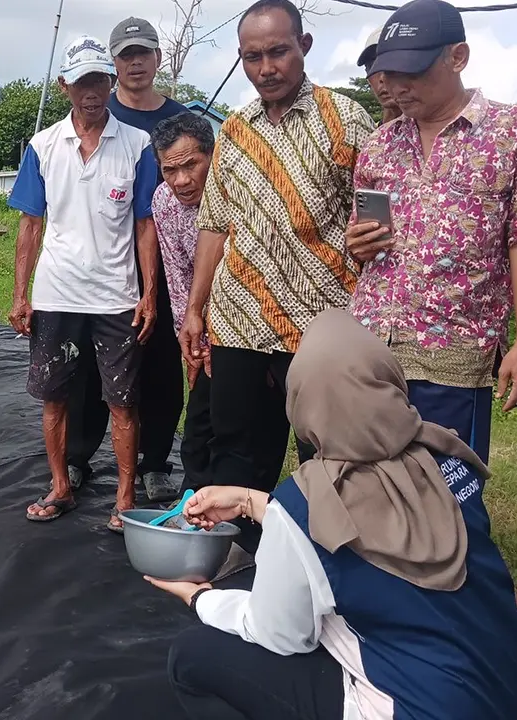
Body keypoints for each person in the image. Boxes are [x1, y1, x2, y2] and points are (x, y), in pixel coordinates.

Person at [145, 309, 517, 720]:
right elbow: (373, 515)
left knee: (192, 657)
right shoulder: (442, 455)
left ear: (302, 402)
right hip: (509, 691)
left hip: (420, 708)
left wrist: (203, 600)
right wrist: (248, 501)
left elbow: (281, 636)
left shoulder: (306, 505)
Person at [178, 0, 374, 519]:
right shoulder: (235, 131)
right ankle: (239, 565)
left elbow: (379, 218)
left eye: (278, 52)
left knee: (328, 452)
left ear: (304, 46)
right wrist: (196, 310)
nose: (266, 68)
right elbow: (216, 224)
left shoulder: (346, 120)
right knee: (237, 449)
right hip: (239, 320)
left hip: (321, 324)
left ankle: (328, 565)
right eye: (253, 56)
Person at [347, 0, 517, 463]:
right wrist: (357, 244)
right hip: (371, 348)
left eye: (414, 72)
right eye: (390, 73)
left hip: (453, 349)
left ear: (458, 57)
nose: (398, 87)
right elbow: (362, 239)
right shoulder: (379, 145)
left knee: (448, 496)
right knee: (372, 488)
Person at [7, 36, 160, 532]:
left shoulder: (137, 146)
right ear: (63, 85)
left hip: (117, 296)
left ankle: (124, 496)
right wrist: (19, 295)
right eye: (81, 82)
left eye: (99, 80)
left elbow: (145, 225)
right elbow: (30, 225)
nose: (91, 92)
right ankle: (60, 485)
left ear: (110, 82)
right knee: (55, 396)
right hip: (56, 294)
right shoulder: (44, 146)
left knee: (123, 401)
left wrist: (149, 293)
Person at [61, 17, 189, 504]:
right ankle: (77, 456)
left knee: (158, 367)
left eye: (144, 53)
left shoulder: (181, 121)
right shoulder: (94, 113)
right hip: (101, 267)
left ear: (158, 59)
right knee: (89, 370)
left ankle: (154, 462)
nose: (136, 63)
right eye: (125, 55)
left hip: (165, 267)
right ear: (112, 66)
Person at [149, 111, 215, 495]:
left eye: (191, 165)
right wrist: (190, 342)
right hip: (199, 318)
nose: (182, 181)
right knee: (200, 423)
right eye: (170, 170)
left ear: (211, 155)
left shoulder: (233, 189)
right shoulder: (164, 201)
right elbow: (177, 275)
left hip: (252, 321)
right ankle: (195, 501)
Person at [355, 26, 402, 124]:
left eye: (390, 62)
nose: (382, 78)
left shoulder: (436, 134)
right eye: (372, 66)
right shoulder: (372, 136)